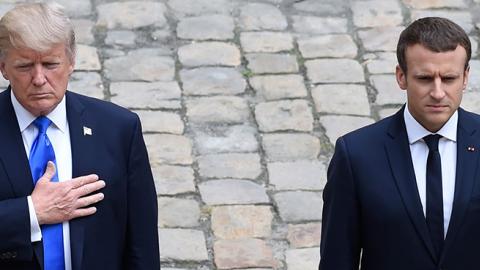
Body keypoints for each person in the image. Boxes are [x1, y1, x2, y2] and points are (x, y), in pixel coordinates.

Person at [0, 2, 160, 270]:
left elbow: (141, 243)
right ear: (3, 67)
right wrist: (31, 213)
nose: (39, 78)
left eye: (51, 64)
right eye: (25, 66)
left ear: (72, 62)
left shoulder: (119, 129)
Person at [319, 17, 480, 269]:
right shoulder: (357, 155)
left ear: (465, 77)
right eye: (425, 78)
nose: (438, 92)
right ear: (401, 77)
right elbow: (337, 259)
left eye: (448, 79)